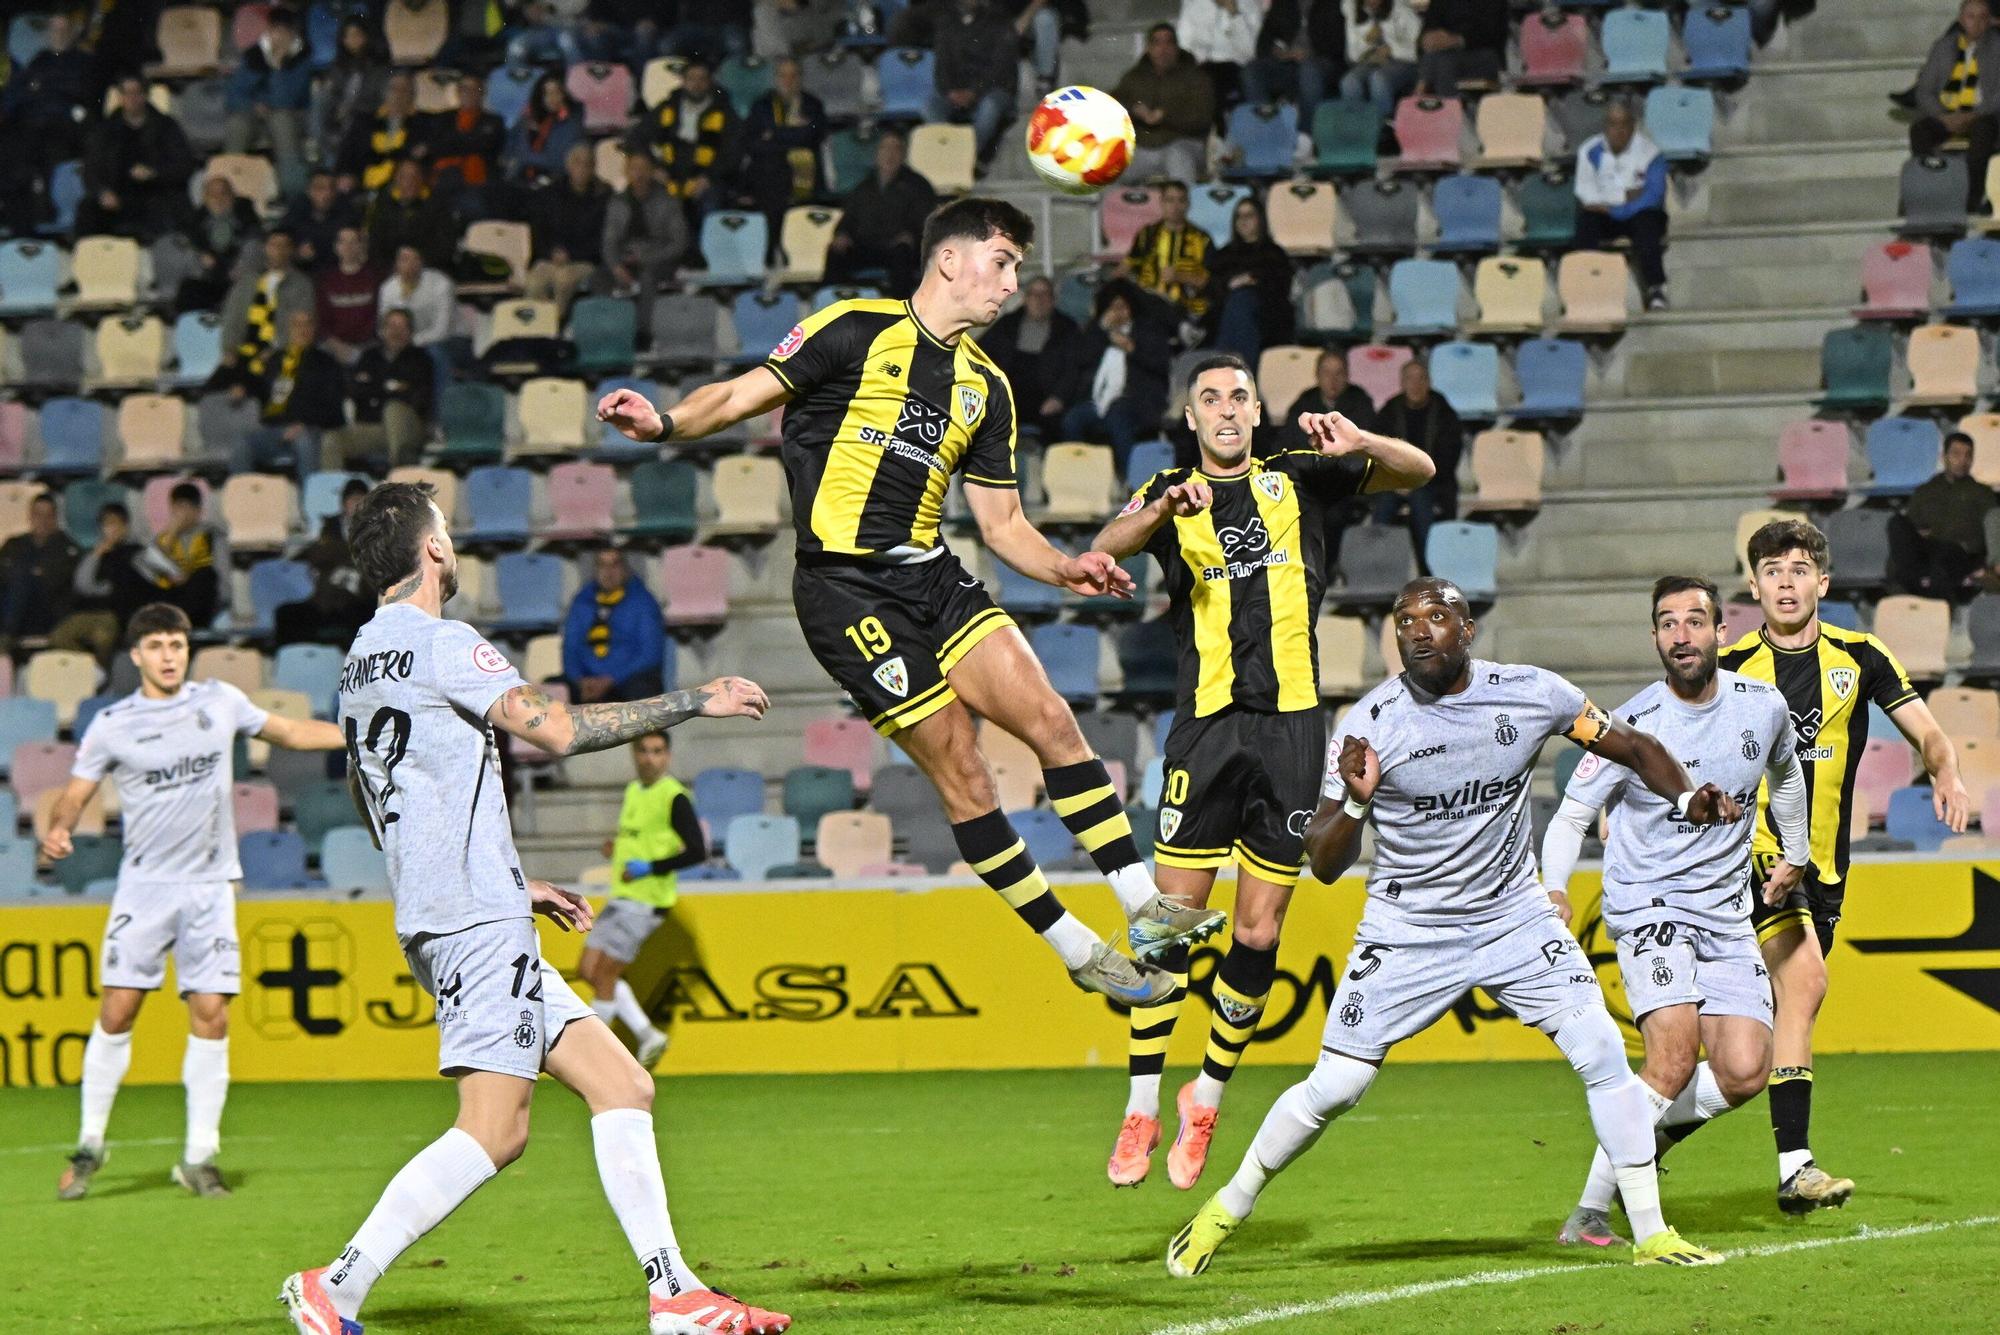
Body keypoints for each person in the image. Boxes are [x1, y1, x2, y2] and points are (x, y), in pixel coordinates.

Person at [596, 198, 1225, 1006]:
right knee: (964, 766)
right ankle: (1074, 947)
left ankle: (1146, 908)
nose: (1009, 284)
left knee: (1052, 719)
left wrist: (1068, 567)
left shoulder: (987, 388)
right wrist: (663, 422)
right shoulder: (853, 328)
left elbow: (1001, 523)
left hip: (932, 575)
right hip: (843, 592)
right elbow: (741, 395)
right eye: (1001, 262)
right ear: (950, 261)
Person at [280, 480, 789, 1335]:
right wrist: (694, 699)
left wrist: (513, 884)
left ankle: (675, 1295)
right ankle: (337, 1284)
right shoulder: (446, 644)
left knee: (621, 1080)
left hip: (456, 910)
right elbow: (554, 729)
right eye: (447, 529)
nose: (455, 541)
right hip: (474, 922)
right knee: (493, 1128)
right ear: (433, 549)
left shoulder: (359, 661)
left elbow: (380, 809)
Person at [1166, 577, 1734, 1277]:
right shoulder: (1371, 723)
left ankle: (1650, 1231)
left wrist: (1686, 794)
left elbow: (1636, 746)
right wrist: (1358, 806)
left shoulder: (1532, 693)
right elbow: (1322, 859)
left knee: (1601, 1050)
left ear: (1468, 629)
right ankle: (1225, 1207)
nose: (1418, 629)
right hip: (1410, 926)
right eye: (1405, 619)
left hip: (1514, 916)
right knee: (1337, 1084)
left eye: (1437, 616)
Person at [1092, 355, 1432, 1189]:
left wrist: (1361, 439)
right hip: (1204, 728)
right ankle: (1139, 1105)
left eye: (1239, 395)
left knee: (1258, 931)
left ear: (1257, 409)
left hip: (1290, 731)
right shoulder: (1170, 491)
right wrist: (1166, 505)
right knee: (1169, 924)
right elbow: (1105, 547)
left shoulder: (1299, 476)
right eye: (1209, 397)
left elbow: (1418, 470)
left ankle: (1203, 1099)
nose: (1226, 408)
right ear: (1191, 416)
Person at [1543, 576, 1810, 1249]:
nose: (1681, 634)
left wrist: (1797, 853)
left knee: (1748, 1069)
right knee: (1670, 1056)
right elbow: (1572, 813)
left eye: (1695, 621)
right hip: (1648, 903)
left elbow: (1787, 772)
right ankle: (1593, 1209)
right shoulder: (1629, 726)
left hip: (1724, 913)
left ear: (1722, 630)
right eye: (1667, 623)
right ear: (1655, 637)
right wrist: (1554, 886)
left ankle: (1629, 1130)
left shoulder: (1762, 706)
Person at [48, 602, 346, 1202]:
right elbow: (75, 793)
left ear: (187, 650)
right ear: (136, 655)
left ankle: (199, 1155)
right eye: (156, 646)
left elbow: (288, 732)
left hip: (210, 888)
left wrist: (358, 734)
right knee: (119, 1010)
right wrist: (61, 826)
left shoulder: (219, 702)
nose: (167, 655)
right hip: (145, 887)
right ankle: (90, 1142)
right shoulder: (113, 723)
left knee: (212, 1013)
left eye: (177, 645)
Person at [1716, 519, 1969, 1212]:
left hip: (1826, 868)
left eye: (1799, 570)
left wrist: (1944, 772)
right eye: (1772, 571)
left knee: (1751, 1058)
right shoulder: (1730, 666)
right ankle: (1796, 1167)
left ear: (1822, 582)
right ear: (1755, 585)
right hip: (1757, 856)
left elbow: (1929, 732)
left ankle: (1643, 1140)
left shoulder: (1860, 655)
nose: (1786, 583)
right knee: (1806, 981)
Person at [580, 731, 708, 1068]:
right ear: (634, 755)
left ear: (667, 756)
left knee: (605, 975)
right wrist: (617, 849)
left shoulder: (674, 797)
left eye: (657, 751)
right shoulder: (634, 790)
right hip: (622, 895)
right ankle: (648, 1034)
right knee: (588, 970)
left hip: (646, 901)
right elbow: (640, 837)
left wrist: (651, 867)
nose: (650, 758)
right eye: (644, 751)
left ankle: (595, 1057)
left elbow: (696, 851)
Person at [1058, 282, 1176, 473]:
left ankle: (1128, 476)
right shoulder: (1096, 332)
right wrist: (1100, 331)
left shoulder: (1147, 330)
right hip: (1097, 400)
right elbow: (1080, 357)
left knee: (1117, 417)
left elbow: (1160, 365)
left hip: (1136, 399)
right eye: (1112, 307)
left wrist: (1132, 349)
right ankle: (1082, 475)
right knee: (1072, 420)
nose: (1117, 312)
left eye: (1121, 307)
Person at [1575, 100, 1670, 312]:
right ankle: (1583, 289)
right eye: (1612, 124)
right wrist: (1625, 195)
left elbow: (1653, 196)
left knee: (1648, 222)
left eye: (1623, 125)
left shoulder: (1650, 153)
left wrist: (1614, 206)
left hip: (1638, 213)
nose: (1617, 131)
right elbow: (1586, 193)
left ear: (1633, 126)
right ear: (1605, 126)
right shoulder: (1589, 150)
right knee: (1586, 223)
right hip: (1606, 214)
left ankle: (1656, 288)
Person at [76, 77, 196, 241]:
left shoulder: (167, 126)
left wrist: (154, 173)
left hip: (157, 193)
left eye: (137, 93)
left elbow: (184, 165)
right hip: (117, 196)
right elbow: (90, 169)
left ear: (145, 96)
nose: (132, 98)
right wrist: (102, 192)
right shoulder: (105, 130)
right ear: (120, 97)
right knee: (87, 210)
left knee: (173, 209)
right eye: (126, 93)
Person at [233, 309, 347, 481]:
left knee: (304, 441)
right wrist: (243, 385)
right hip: (276, 431)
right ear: (288, 330)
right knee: (242, 444)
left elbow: (334, 410)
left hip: (313, 430)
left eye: (307, 324)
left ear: (314, 329)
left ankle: (310, 503)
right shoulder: (274, 361)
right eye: (297, 325)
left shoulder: (327, 363)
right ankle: (244, 502)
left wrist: (303, 424)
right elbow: (256, 387)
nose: (302, 329)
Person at [1369, 358, 1463, 564]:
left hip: (1432, 482)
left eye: (1421, 379)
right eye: (1409, 379)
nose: (1415, 384)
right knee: (1382, 506)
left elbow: (1448, 458)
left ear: (1429, 383)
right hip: (1394, 482)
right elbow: (1378, 450)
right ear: (1402, 383)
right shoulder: (1390, 410)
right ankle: (1379, 569)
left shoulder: (1444, 413)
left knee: (1421, 503)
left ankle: (1429, 568)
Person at [825, 130, 938, 297]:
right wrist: (842, 234)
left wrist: (912, 235)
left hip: (899, 249)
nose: (889, 154)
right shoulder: (864, 186)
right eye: (885, 149)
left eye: (895, 149)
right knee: (836, 252)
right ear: (876, 154)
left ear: (903, 155)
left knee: (902, 253)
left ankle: (898, 310)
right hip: (867, 246)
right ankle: (831, 307)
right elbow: (848, 218)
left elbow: (926, 220)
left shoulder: (918, 185)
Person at [1913, 0, 2000, 208]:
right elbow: (1924, 90)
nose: (1976, 23)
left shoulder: (1998, 48)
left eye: (1982, 17)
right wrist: (1943, 116)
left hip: (1982, 115)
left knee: (1984, 133)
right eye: (1971, 16)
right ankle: (1930, 193)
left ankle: (1971, 198)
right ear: (1961, 19)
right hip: (1946, 114)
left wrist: (1974, 115)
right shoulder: (1943, 47)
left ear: (1989, 21)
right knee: (1919, 131)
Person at [328, 308, 437, 471]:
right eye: (392, 326)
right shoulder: (369, 357)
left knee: (393, 409)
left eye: (402, 327)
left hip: (410, 427)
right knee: (332, 438)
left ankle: (399, 485)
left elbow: (417, 398)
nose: (396, 332)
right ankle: (333, 492)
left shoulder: (420, 359)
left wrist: (376, 388)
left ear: (410, 332)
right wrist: (391, 387)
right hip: (374, 429)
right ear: (383, 330)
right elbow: (355, 390)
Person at [1893, 430, 1994, 600]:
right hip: (1928, 551)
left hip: (1962, 554)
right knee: (1896, 523)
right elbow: (1913, 528)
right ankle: (1908, 583)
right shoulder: (1926, 491)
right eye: (1956, 454)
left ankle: (1932, 605)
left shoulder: (1982, 493)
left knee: (1942, 557)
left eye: (1968, 455)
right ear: (1944, 456)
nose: (1963, 460)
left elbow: (1990, 532)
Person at [224, 6, 313, 197]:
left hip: (291, 114)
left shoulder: (302, 60)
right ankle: (230, 188)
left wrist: (278, 66)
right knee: (237, 125)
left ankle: (292, 193)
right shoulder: (253, 56)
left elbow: (288, 100)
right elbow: (234, 95)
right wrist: (254, 105)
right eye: (275, 30)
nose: (278, 37)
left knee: (282, 122)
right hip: (254, 113)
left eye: (284, 31)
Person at [603, 152, 692, 344]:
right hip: (626, 259)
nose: (639, 174)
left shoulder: (668, 202)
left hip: (660, 260)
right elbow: (609, 242)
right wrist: (616, 266)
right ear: (626, 172)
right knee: (598, 279)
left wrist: (647, 258)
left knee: (648, 276)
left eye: (644, 169)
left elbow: (678, 243)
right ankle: (607, 336)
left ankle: (644, 334)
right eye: (634, 169)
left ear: (652, 172)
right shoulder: (617, 203)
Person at [985, 275, 1083, 446]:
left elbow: (1073, 369)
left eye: (1044, 294)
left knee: (1056, 424)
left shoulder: (1067, 329)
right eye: (1034, 294)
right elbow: (981, 352)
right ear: (1025, 299)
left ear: (1053, 299)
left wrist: (1059, 397)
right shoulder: (1007, 325)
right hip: (1009, 393)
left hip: (1047, 395)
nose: (1039, 300)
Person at [563, 546, 669, 703]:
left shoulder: (643, 602)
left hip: (628, 680)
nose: (609, 572)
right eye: (602, 565)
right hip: (587, 681)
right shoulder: (581, 602)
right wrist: (580, 680)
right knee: (550, 691)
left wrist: (611, 679)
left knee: (644, 689)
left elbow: (650, 654)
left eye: (615, 564)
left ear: (625, 568)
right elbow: (570, 649)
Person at [1114, 24, 1217, 185]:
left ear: (1176, 47)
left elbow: (1202, 117)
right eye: (1157, 43)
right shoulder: (1134, 76)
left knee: (1178, 156)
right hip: (1144, 146)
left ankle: (1183, 208)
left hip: (1183, 143)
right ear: (1148, 48)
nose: (1163, 48)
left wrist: (1166, 116)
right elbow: (1112, 102)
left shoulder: (1195, 76)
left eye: (1168, 43)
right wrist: (1134, 110)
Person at [275, 480, 372, 647]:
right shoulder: (328, 527)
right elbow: (316, 554)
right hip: (325, 599)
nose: (356, 506)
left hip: (358, 599)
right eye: (352, 500)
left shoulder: (377, 529)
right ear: (343, 504)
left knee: (362, 615)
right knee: (286, 614)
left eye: (361, 501)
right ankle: (293, 662)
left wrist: (337, 554)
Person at [51, 503, 151, 662]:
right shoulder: (95, 554)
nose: (112, 528)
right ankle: (92, 670)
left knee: (102, 638)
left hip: (113, 614)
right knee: (59, 636)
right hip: (86, 612)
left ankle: (102, 673)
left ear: (125, 526)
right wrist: (96, 554)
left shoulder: (135, 552)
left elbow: (125, 589)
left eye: (115, 523)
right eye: (107, 523)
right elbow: (83, 586)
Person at [740, 57, 828, 234]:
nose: (788, 81)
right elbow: (753, 142)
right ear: (775, 78)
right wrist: (792, 132)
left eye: (793, 76)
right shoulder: (762, 105)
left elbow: (810, 137)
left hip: (802, 169)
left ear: (801, 78)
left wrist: (773, 134)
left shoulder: (813, 105)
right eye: (783, 75)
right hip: (768, 169)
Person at [526, 143, 613, 314]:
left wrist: (571, 255)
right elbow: (539, 231)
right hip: (550, 257)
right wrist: (552, 252)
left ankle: (557, 324)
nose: (582, 168)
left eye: (587, 164)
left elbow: (602, 240)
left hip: (584, 261)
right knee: (534, 282)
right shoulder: (550, 194)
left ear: (593, 168)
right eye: (577, 162)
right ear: (568, 165)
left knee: (563, 280)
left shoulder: (603, 197)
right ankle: (536, 328)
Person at [1204, 196, 1295, 361]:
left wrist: (1250, 281)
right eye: (1239, 216)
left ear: (1260, 219)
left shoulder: (1274, 253)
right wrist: (1233, 284)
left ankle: (1225, 367)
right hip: (1229, 313)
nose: (1243, 221)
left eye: (1249, 215)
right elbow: (1211, 288)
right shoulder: (1223, 255)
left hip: (1266, 315)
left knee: (1242, 300)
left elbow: (1280, 287)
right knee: (1237, 304)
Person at [646, 58, 738, 219]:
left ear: (710, 82)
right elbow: (637, 138)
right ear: (683, 81)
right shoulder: (667, 107)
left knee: (712, 201)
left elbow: (732, 151)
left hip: (708, 173)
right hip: (669, 169)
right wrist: (653, 168)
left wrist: (709, 177)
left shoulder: (724, 112)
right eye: (691, 79)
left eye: (702, 79)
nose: (696, 84)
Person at [929, 0, 1019, 164]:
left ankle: (966, 158)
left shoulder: (999, 20)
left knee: (989, 107)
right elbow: (941, 65)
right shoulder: (947, 21)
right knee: (930, 106)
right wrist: (950, 91)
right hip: (956, 91)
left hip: (992, 89)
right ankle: (948, 155)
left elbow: (1001, 68)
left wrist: (974, 92)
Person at [221, 229, 314, 378]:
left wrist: (277, 350)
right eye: (274, 245)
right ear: (266, 247)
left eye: (284, 246)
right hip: (244, 352)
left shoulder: (302, 285)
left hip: (281, 354)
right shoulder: (247, 282)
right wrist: (229, 349)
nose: (279, 250)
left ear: (291, 250)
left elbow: (303, 324)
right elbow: (232, 318)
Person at [138, 483, 227, 629]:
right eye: (178, 508)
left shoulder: (212, 535)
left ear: (198, 511)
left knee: (204, 575)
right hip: (169, 596)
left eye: (186, 508)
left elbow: (222, 582)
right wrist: (172, 533)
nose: (182, 515)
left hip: (200, 600)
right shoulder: (163, 538)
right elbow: (149, 572)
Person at [1125, 179, 1215, 323]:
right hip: (1147, 304)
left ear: (1188, 205)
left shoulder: (1202, 239)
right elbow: (1127, 265)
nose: (1175, 206)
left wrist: (1180, 276)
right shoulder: (1146, 234)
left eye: (1181, 200)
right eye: (1170, 200)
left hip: (1186, 309)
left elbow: (1211, 283)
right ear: (1161, 203)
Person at [1243, 0, 1346, 122]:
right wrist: (1278, 52)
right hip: (1288, 63)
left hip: (1323, 62)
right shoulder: (1283, 3)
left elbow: (1338, 45)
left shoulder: (1333, 4)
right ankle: (1266, 126)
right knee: (1252, 70)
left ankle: (1307, 134)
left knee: (1308, 70)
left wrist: (1310, 54)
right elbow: (1263, 41)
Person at [313, 15, 391, 173]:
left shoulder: (379, 67)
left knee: (353, 124)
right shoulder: (339, 67)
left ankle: (336, 168)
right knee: (319, 102)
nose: (352, 40)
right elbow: (333, 93)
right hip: (339, 115)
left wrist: (351, 108)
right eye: (348, 36)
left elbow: (379, 99)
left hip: (365, 117)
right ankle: (323, 155)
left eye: (357, 35)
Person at [1, 491, 80, 645]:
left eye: (48, 515)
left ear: (56, 518)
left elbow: (57, 579)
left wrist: (28, 574)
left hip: (49, 613)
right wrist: (33, 572)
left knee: (21, 579)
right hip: (15, 609)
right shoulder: (14, 544)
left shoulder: (67, 547)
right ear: (30, 516)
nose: (43, 521)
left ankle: (6, 637)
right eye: (38, 515)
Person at [418, 70, 506, 206]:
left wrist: (452, 142)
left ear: (482, 93)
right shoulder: (443, 118)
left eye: (474, 89)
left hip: (478, 182)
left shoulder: (494, 121)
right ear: (458, 92)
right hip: (443, 178)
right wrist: (468, 141)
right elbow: (434, 146)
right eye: (465, 89)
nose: (469, 93)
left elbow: (486, 146)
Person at [337, 73, 420, 195]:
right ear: (385, 92)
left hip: (400, 189)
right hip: (361, 186)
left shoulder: (420, 124)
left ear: (412, 95)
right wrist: (345, 175)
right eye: (394, 89)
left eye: (404, 90)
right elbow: (346, 154)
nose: (398, 94)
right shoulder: (364, 122)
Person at [364, 157, 454, 270]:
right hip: (390, 272)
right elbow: (375, 244)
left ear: (422, 179)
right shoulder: (383, 206)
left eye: (414, 176)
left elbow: (444, 245)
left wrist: (417, 263)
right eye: (404, 176)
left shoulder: (437, 206)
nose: (410, 181)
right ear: (396, 179)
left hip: (428, 270)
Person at [1177, 0, 1265, 114]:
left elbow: (1251, 52)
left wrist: (1234, 14)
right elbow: (1183, 45)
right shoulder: (1192, 4)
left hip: (1236, 68)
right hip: (1203, 67)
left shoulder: (1248, 4)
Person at [316, 226, 385, 363]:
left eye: (353, 242)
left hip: (369, 344)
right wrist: (337, 345)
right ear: (336, 247)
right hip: (333, 345)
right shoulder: (326, 280)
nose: (348, 246)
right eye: (343, 242)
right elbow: (322, 320)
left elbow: (379, 315)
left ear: (361, 246)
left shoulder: (375, 277)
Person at [1340, 0, 1421, 117]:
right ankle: (1357, 127)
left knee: (1379, 79)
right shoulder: (1353, 9)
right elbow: (1353, 54)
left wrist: (1392, 50)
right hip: (1372, 62)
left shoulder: (1402, 10)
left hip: (1404, 62)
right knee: (1349, 82)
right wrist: (1367, 43)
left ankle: (1382, 127)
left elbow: (1419, 50)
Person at [505, 73, 586, 187]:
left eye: (556, 92)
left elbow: (561, 161)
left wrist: (525, 157)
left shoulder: (573, 124)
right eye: (547, 93)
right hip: (520, 178)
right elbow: (510, 146)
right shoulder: (527, 119)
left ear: (564, 95)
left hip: (555, 181)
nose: (552, 98)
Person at [1414, 0, 1507, 96]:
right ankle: (1441, 104)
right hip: (1443, 56)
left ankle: (1423, 99)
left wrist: (1456, 40)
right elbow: (1428, 28)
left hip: (1484, 55)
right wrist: (1427, 40)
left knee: (1442, 61)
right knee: (1437, 59)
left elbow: (1492, 34)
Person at [377, 243, 456, 347]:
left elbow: (442, 330)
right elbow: (382, 326)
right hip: (403, 343)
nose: (410, 265)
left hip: (448, 340)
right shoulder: (387, 288)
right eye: (405, 259)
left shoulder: (441, 284)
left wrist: (409, 342)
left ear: (422, 262)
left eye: (415, 259)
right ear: (396, 264)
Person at [282, 171, 356, 274]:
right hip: (303, 273)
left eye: (332, 188)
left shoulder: (347, 215)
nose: (327, 194)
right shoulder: (295, 215)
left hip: (340, 274)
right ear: (309, 191)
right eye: (320, 188)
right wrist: (297, 254)